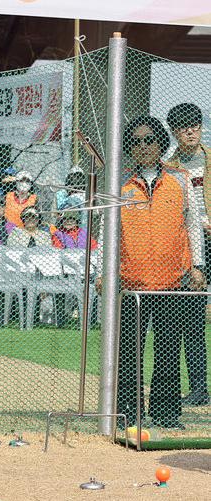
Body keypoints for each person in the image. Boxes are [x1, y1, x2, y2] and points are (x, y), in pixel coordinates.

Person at [105, 116, 205, 429]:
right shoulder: (119, 182)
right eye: (136, 141)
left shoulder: (180, 178)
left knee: (168, 351)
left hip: (171, 281)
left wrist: (198, 266)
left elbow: (193, 224)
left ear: (161, 143)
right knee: (128, 353)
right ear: (129, 147)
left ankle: (166, 415)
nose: (144, 146)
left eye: (149, 140)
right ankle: (127, 414)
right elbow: (107, 230)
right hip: (130, 282)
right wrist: (102, 272)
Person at [165, 103, 210, 407]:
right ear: (174, 132)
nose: (191, 131)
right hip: (192, 244)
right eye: (183, 127)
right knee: (192, 317)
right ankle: (198, 388)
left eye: (195, 125)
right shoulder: (169, 167)